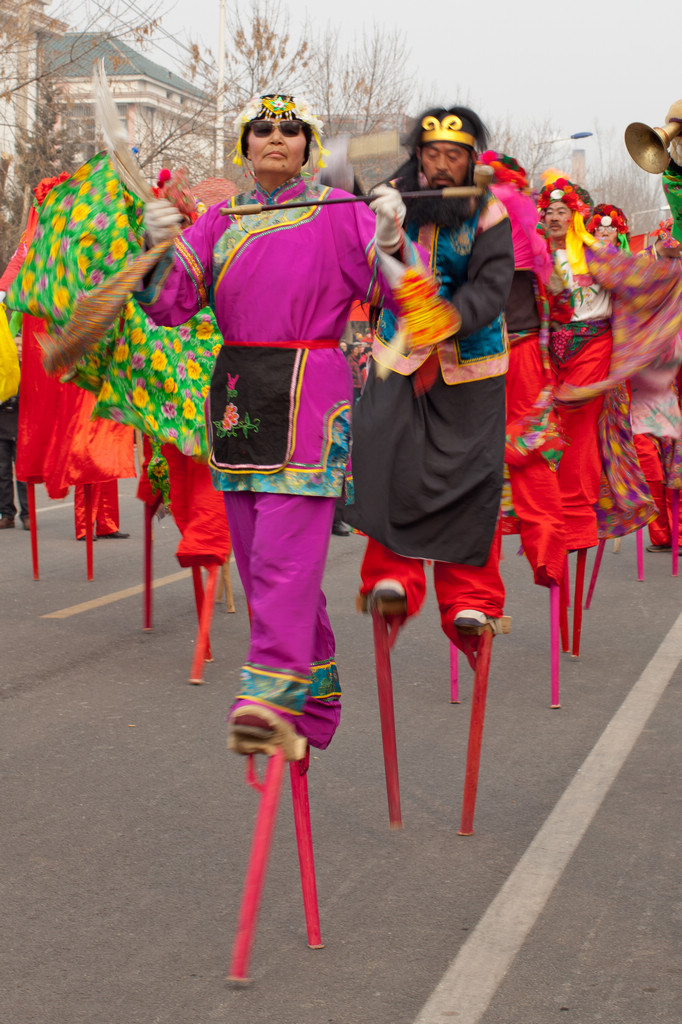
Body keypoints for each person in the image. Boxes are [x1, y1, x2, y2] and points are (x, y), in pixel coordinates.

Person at [136, 93, 419, 758]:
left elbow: (403, 296)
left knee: (283, 559)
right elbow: (170, 306)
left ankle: (270, 691)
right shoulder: (218, 222)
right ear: (244, 146)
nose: (275, 137)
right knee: (262, 561)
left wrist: (391, 241)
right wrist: (155, 248)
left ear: (307, 147)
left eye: (290, 130)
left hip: (309, 395)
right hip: (236, 397)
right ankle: (315, 691)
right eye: (261, 128)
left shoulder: (339, 211)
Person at [346, 106, 514, 647]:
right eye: (432, 155)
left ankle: (471, 597)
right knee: (382, 455)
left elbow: (492, 287)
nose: (441, 166)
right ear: (417, 157)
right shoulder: (388, 200)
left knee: (471, 477)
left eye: (454, 156)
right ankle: (392, 578)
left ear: (470, 162)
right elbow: (366, 265)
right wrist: (381, 224)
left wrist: (451, 316)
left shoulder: (490, 216)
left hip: (470, 365)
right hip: (401, 356)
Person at [478, 151, 566, 588]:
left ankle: (476, 589)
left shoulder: (495, 202)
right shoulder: (512, 202)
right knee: (529, 452)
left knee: (479, 460)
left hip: (496, 353)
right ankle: (546, 555)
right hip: (503, 350)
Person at [538, 178, 613, 551]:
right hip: (550, 350)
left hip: (593, 345)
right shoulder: (535, 256)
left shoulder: (596, 252)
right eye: (549, 211)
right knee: (546, 429)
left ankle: (578, 524)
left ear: (575, 216)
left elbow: (638, 281)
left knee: (577, 422)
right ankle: (549, 516)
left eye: (561, 211)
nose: (554, 216)